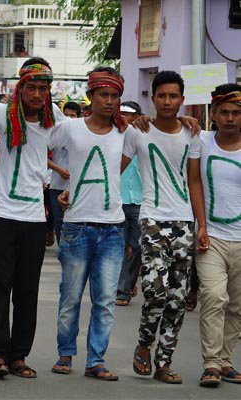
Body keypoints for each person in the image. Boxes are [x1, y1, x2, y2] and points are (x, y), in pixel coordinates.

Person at [124, 70, 208, 384]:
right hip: (151, 219)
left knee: (177, 297)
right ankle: (145, 344)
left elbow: (194, 180)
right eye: (162, 95)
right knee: (155, 291)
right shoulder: (138, 132)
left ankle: (164, 361)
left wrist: (202, 225)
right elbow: (116, 165)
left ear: (182, 100)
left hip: (184, 220)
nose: (168, 101)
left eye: (174, 96)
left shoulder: (192, 133)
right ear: (153, 97)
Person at [0, 59, 66, 378]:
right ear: (20, 88)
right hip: (1, 215)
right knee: (0, 287)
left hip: (34, 218)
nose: (36, 94)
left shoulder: (54, 119)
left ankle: (19, 356)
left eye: (43, 89)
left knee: (27, 290)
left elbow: (90, 131)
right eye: (31, 87)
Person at [50, 67, 126, 381]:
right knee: (70, 296)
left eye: (115, 96)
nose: (109, 101)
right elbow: (35, 144)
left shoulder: (127, 132)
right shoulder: (70, 128)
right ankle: (65, 354)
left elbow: (160, 135)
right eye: (103, 95)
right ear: (90, 96)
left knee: (105, 300)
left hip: (113, 228)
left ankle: (96, 360)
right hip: (77, 225)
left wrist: (190, 123)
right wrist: (57, 183)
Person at [195, 84, 241, 387]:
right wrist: (201, 224)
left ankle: (225, 362)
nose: (230, 118)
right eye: (224, 112)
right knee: (213, 297)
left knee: (236, 306)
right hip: (211, 238)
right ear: (213, 114)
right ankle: (211, 363)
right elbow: (193, 182)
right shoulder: (200, 141)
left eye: (236, 113)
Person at [115, 101, 144, 306]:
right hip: (118, 199)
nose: (125, 118)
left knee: (137, 246)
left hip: (141, 200)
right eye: (122, 114)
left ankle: (130, 282)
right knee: (120, 246)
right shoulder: (112, 136)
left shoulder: (145, 137)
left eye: (129, 114)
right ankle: (122, 290)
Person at [47, 102, 79, 244]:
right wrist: (59, 170)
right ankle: (62, 247)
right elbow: (40, 155)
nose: (68, 119)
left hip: (75, 185)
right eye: (65, 115)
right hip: (56, 185)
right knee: (58, 220)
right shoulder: (57, 132)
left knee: (73, 220)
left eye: (72, 116)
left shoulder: (82, 133)